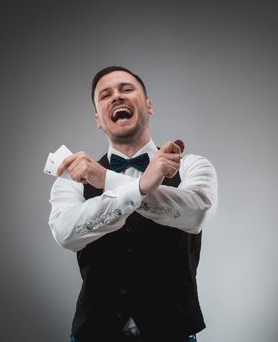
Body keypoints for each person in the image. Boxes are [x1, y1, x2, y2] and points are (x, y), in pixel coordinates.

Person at [48, 66, 218, 342]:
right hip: (93, 334)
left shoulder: (192, 166)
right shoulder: (75, 176)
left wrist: (106, 180)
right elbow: (66, 234)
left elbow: (196, 214)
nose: (116, 97)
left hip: (172, 333)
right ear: (98, 120)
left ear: (149, 106)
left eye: (126, 89)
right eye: (105, 95)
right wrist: (140, 187)